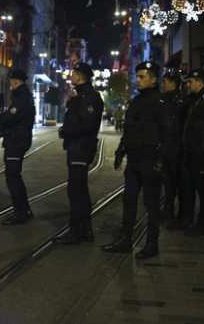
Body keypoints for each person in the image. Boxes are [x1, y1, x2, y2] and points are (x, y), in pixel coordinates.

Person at [102, 62, 172, 259]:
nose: (138, 80)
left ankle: (152, 244)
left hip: (150, 159)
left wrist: (160, 161)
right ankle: (125, 240)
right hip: (133, 160)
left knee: (151, 203)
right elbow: (129, 131)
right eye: (137, 76)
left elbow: (169, 135)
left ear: (153, 79)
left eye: (142, 76)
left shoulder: (161, 104)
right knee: (129, 200)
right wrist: (119, 153)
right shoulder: (135, 102)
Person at [52, 62, 104, 245]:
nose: (70, 76)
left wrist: (65, 131)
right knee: (79, 189)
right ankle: (85, 229)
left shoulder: (89, 97)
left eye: (73, 74)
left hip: (81, 147)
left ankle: (76, 230)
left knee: (76, 190)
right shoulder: (81, 96)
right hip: (76, 147)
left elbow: (86, 125)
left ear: (80, 76)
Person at [169, 68, 204, 237]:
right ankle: (186, 219)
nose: (187, 85)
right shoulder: (192, 100)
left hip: (201, 154)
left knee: (203, 189)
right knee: (187, 187)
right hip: (189, 153)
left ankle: (203, 223)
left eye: (190, 82)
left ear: (200, 82)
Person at [0, 69, 36, 225]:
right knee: (14, 176)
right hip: (18, 139)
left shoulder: (21, 99)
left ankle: (20, 211)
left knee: (13, 177)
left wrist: (0, 119)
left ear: (14, 82)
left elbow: (9, 118)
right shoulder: (23, 97)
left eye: (11, 83)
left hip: (16, 141)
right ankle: (23, 209)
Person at [161, 71, 185, 221]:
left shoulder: (182, 102)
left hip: (177, 147)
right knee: (167, 180)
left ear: (172, 84)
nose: (162, 85)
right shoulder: (162, 101)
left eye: (165, 82)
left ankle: (181, 213)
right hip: (165, 146)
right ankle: (168, 208)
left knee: (178, 181)